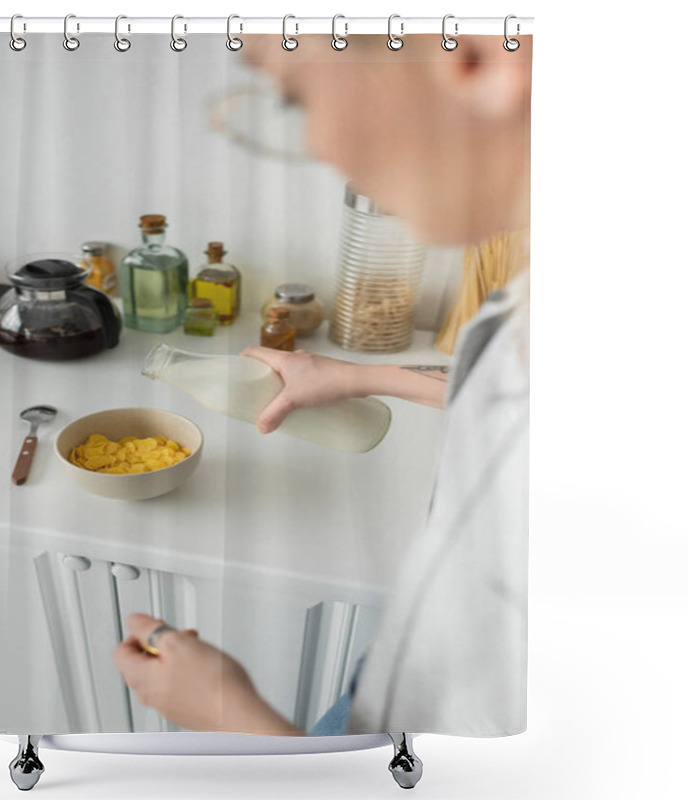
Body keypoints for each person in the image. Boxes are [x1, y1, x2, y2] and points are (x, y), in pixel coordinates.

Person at [113, 32, 531, 737]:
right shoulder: (530, 301)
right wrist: (353, 375)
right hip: (393, 679)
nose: (317, 143)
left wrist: (235, 723)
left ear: (479, 60)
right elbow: (497, 387)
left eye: (294, 93)